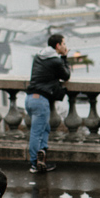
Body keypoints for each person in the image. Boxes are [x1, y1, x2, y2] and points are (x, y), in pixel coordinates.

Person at [27, 33, 72, 173]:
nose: (65, 46)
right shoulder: (55, 61)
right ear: (58, 45)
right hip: (41, 100)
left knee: (44, 129)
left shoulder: (38, 56)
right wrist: (64, 57)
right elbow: (66, 75)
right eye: (64, 44)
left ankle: (42, 158)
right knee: (37, 132)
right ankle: (35, 163)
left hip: (30, 98)